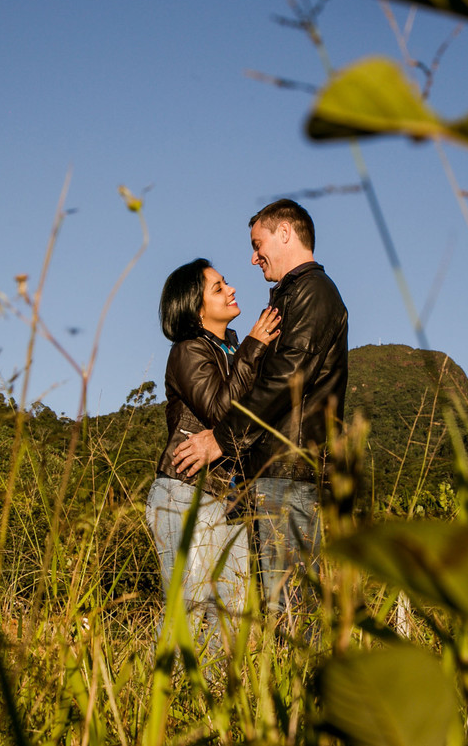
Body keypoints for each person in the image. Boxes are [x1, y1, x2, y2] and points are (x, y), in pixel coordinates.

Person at [173, 199, 348, 625]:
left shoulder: (312, 293)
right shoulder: (292, 296)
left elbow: (286, 377)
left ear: (285, 233)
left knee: (288, 612)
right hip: (274, 475)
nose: (253, 257)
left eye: (258, 244)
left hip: (289, 474)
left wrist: (221, 438)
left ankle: (295, 692)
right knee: (279, 610)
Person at [147, 258, 281, 654]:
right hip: (186, 491)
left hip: (232, 500)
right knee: (187, 605)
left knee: (233, 613)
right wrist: (255, 346)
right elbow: (221, 412)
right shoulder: (188, 351)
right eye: (218, 287)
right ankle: (160, 706)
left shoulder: (235, 349)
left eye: (227, 283)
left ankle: (217, 710)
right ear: (196, 306)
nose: (232, 289)